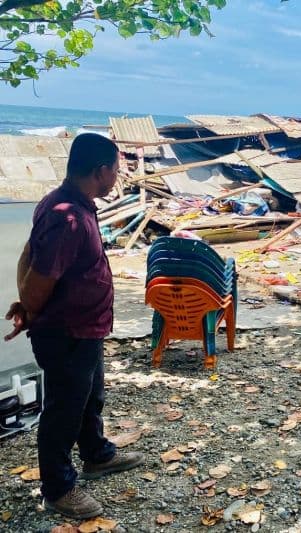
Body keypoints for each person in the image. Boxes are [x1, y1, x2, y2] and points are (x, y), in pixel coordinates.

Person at [4, 133, 143, 520]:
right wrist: (28, 308)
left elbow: (29, 253)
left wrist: (26, 301)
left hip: (87, 329)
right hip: (66, 333)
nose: (117, 176)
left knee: (89, 397)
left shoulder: (70, 204)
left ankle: (96, 454)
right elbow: (41, 270)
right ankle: (59, 489)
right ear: (100, 172)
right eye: (115, 169)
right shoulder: (68, 216)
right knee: (63, 410)